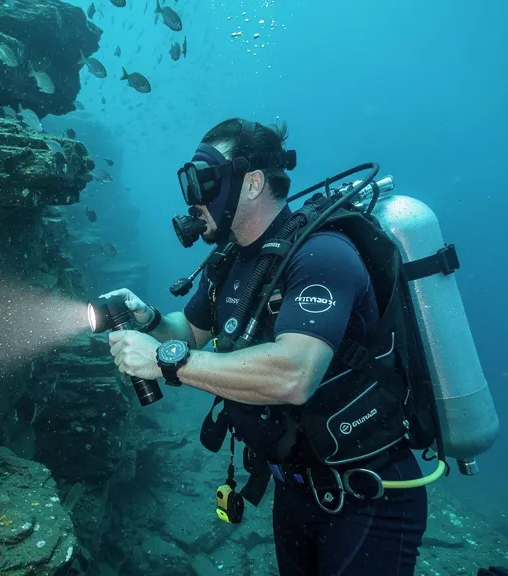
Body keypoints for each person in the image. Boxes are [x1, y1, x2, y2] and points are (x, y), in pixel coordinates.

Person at [103, 118, 428, 575]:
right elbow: (187, 334)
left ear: (253, 183)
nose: (193, 199)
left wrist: (161, 362)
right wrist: (150, 320)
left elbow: (294, 375)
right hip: (294, 490)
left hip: (365, 497)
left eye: (202, 180)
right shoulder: (229, 263)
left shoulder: (321, 255)